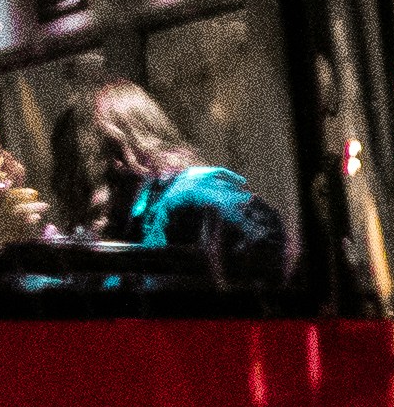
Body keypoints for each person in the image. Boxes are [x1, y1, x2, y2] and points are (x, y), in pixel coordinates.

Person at [58, 77, 287, 276]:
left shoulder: (191, 194)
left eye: (76, 161)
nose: (67, 181)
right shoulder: (131, 217)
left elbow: (272, 248)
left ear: (113, 151)